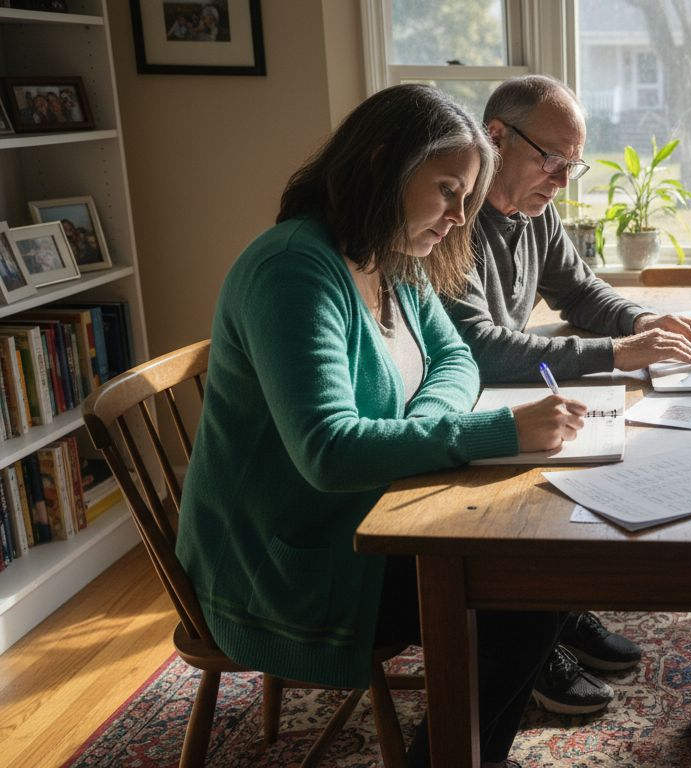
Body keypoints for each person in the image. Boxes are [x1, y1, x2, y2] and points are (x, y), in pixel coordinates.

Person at [176, 84, 586, 768]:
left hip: (369, 511)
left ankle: (467, 751)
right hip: (289, 561)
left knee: (531, 561)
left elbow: (456, 359)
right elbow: (330, 452)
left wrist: (417, 432)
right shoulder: (293, 271)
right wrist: (496, 433)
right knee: (524, 590)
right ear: (380, 163)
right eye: (449, 189)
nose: (462, 216)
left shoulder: (389, 253)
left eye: (470, 193)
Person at [444, 74, 691, 716]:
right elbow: (483, 346)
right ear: (497, 138)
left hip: (509, 397)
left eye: (573, 163)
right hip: (471, 409)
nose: (563, 179)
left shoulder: (537, 210)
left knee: (608, 450)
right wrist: (618, 355)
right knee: (566, 480)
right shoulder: (450, 220)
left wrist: (640, 320)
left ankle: (554, 611)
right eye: (552, 159)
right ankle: (530, 631)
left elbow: (580, 290)